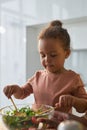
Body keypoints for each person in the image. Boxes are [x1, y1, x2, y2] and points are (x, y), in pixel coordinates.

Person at [3, 20, 87, 114]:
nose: (47, 60)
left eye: (53, 55)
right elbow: (21, 94)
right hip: (35, 125)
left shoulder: (73, 79)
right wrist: (15, 89)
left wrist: (74, 100)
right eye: (42, 55)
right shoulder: (37, 76)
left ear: (66, 53)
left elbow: (83, 107)